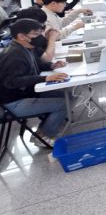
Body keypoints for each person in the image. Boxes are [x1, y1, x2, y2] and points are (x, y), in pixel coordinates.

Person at [0, 19, 69, 147]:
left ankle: (46, 127)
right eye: (36, 34)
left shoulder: (26, 47)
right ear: (21, 36)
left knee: (66, 95)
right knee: (63, 104)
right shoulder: (13, 55)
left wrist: (51, 66)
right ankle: (44, 135)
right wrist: (44, 79)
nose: (40, 37)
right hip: (13, 102)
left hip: (28, 93)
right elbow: (11, 82)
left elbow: (35, 66)